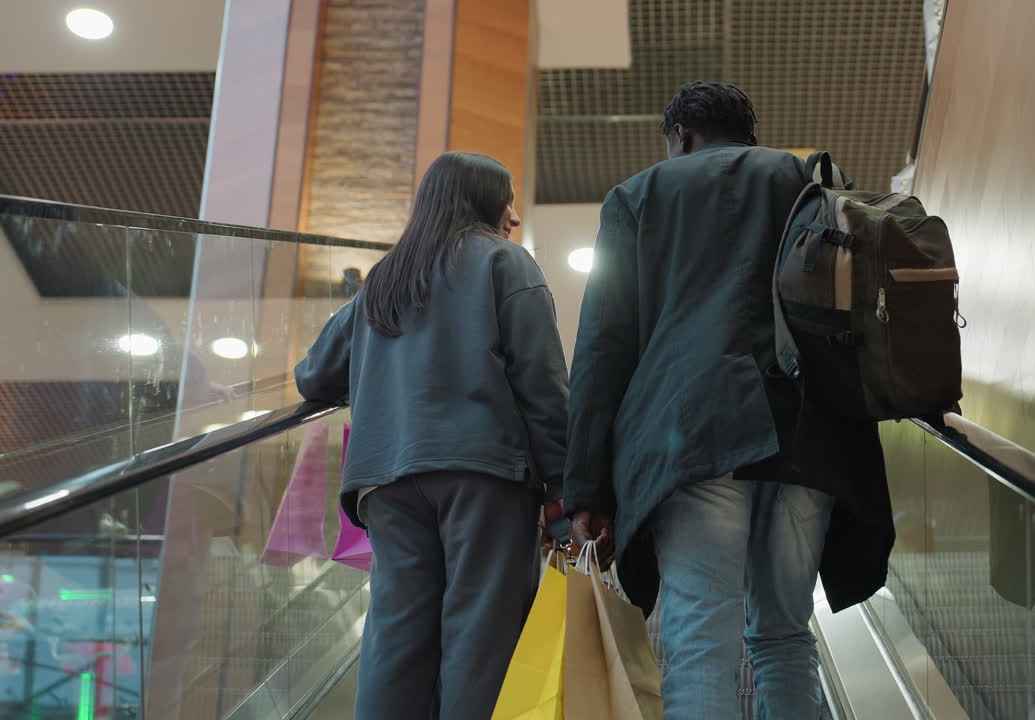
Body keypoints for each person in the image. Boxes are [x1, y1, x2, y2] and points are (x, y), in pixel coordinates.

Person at [565, 82, 894, 719]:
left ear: (681, 138)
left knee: (698, 643)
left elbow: (602, 349)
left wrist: (585, 489)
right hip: (811, 434)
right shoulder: (808, 180)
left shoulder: (638, 196)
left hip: (695, 434)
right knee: (784, 635)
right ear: (748, 132)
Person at [294, 151, 568, 719]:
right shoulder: (506, 263)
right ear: (484, 201)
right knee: (481, 637)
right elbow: (542, 386)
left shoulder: (384, 279)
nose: (514, 215)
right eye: (507, 198)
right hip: (483, 475)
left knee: (395, 639)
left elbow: (313, 375)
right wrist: (565, 487)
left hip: (387, 484)